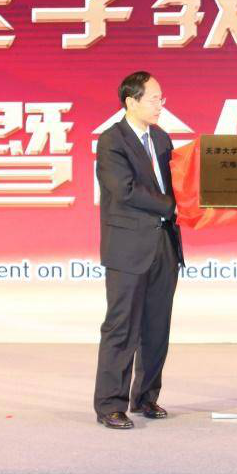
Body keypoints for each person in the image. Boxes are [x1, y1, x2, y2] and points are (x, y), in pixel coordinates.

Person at [92, 71, 184, 430]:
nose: (161, 105)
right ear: (131, 102)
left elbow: (177, 184)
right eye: (154, 99)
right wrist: (173, 207)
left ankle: (146, 396)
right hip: (128, 248)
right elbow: (125, 190)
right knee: (122, 327)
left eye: (162, 98)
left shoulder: (161, 137)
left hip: (164, 244)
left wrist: (192, 201)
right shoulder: (111, 141)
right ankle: (110, 404)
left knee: (157, 327)